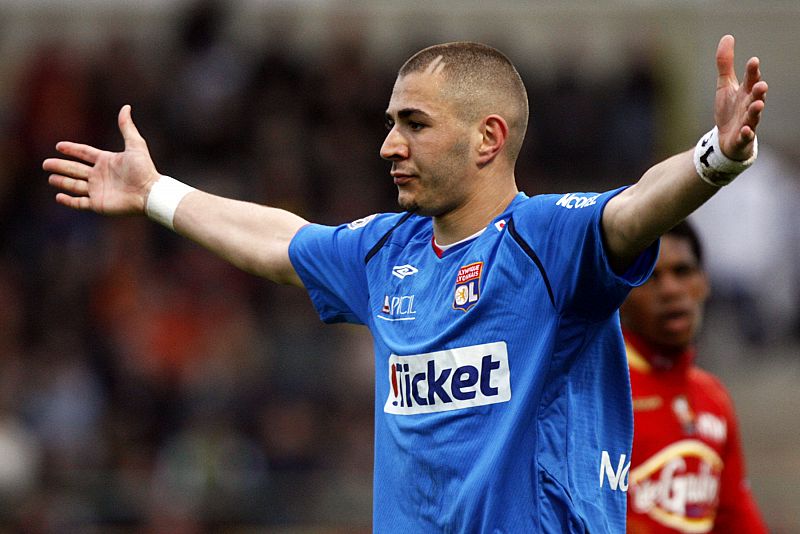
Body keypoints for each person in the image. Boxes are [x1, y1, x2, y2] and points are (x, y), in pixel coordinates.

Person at [43, 34, 767, 533]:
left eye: (414, 124)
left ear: (488, 138)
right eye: (391, 123)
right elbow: (278, 240)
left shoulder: (548, 241)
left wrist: (715, 159)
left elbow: (638, 205)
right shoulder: (388, 252)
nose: (390, 144)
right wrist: (156, 193)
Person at [620, 220, 769, 533]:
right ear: (620, 292)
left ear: (704, 282)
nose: (672, 290)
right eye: (651, 276)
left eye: (683, 271)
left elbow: (736, 518)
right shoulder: (596, 390)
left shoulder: (712, 396)